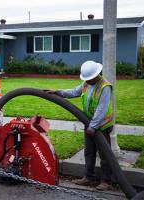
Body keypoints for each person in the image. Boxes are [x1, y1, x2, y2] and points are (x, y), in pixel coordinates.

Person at [47, 60, 115, 190]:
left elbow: (102, 109)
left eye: (89, 78)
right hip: (89, 123)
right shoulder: (86, 84)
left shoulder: (105, 87)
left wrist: (93, 127)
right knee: (89, 151)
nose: (87, 80)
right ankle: (89, 177)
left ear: (97, 74)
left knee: (104, 154)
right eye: (86, 79)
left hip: (102, 126)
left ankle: (107, 181)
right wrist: (57, 92)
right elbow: (73, 92)